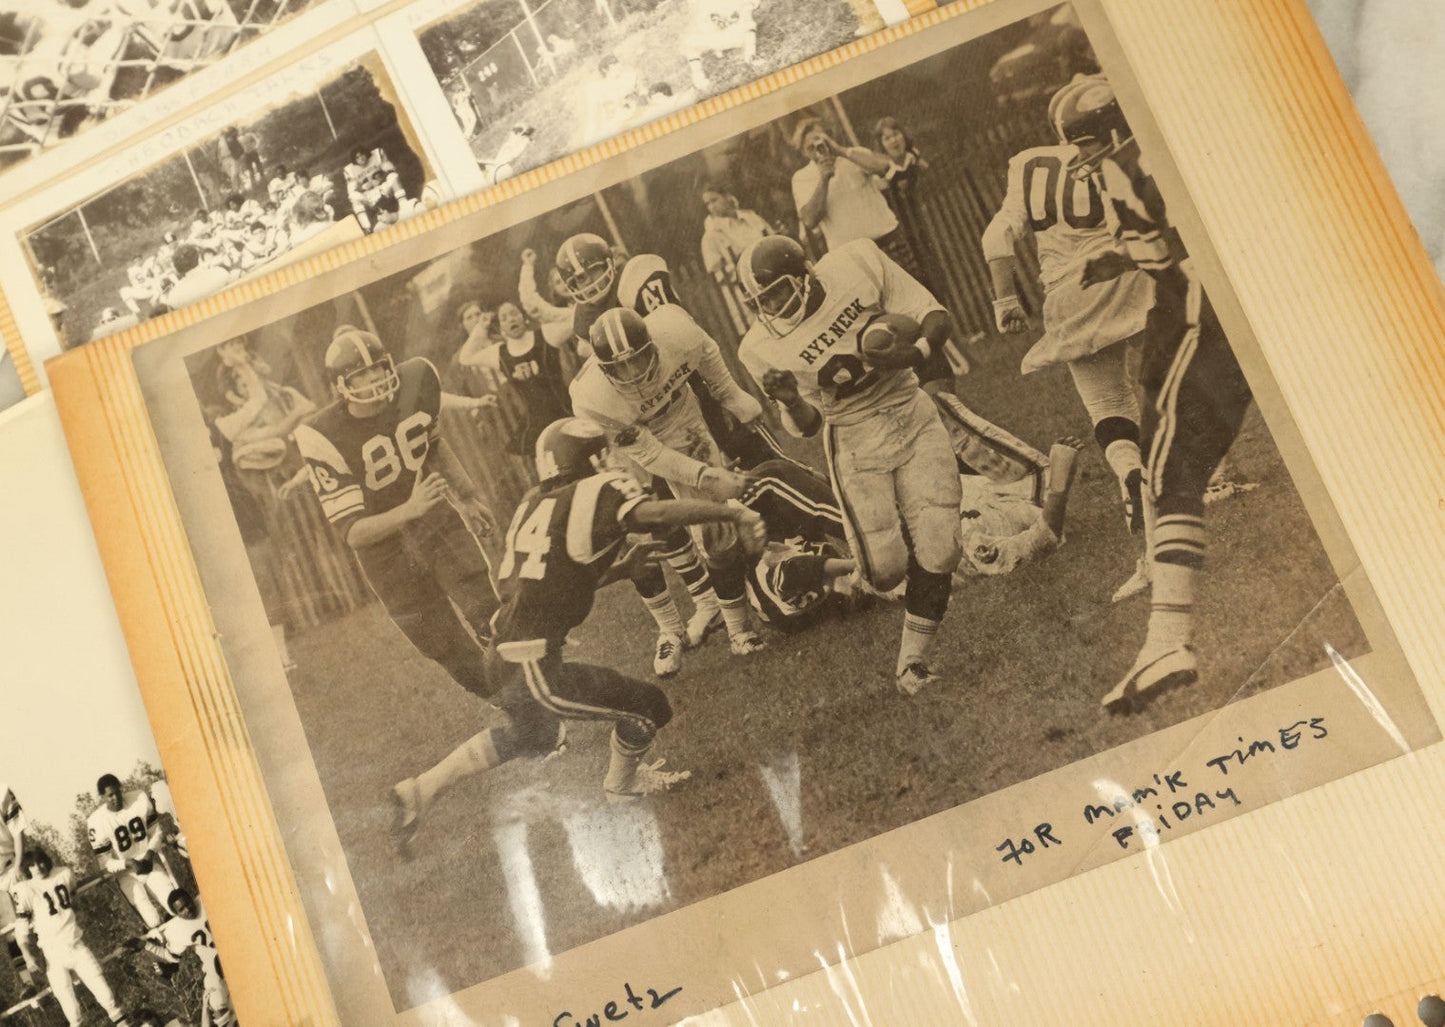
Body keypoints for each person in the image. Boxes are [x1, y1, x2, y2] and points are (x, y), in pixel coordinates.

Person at [391, 417, 768, 848]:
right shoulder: (597, 489)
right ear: (589, 456)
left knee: (530, 735)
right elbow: (658, 513)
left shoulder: (533, 502)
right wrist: (730, 511)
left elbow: (540, 583)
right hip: (533, 664)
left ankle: (419, 790)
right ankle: (622, 788)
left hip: (504, 655)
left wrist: (620, 569)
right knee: (648, 708)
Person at [1059, 77, 1255, 713]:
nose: (1087, 162)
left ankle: (1168, 641)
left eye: (1091, 145)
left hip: (1202, 311)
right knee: (1169, 467)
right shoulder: (1149, 156)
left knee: (1169, 465)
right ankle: (1165, 641)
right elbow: (1169, 232)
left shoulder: (1142, 159)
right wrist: (1120, 255)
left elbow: (1194, 244)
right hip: (1188, 304)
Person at [737, 234, 962, 694]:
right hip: (853, 434)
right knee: (884, 570)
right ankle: (834, 566)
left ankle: (911, 666)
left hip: (909, 406)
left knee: (941, 548)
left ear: (804, 274)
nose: (774, 306)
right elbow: (807, 423)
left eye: (778, 291)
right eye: (763, 300)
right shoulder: (759, 347)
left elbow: (934, 315)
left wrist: (915, 354)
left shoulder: (856, 261)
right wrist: (788, 400)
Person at [982, 75, 1155, 600]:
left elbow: (997, 236)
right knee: (1166, 387)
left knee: (1107, 405)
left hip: (1068, 294)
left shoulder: (1026, 163)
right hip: (1132, 272)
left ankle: (1130, 472)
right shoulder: (1125, 152)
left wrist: (1005, 300)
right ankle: (1198, 480)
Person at [293, 327, 501, 702]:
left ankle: (538, 693)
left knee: (488, 611)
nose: (375, 379)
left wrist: (466, 496)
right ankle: (525, 716)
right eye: (362, 374)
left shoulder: (415, 382)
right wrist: (409, 509)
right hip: (384, 550)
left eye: (378, 368)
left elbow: (433, 444)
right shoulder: (322, 434)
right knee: (446, 647)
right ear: (341, 385)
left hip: (433, 520)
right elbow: (352, 532)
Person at [570, 284, 770, 661]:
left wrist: (728, 392)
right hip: (631, 443)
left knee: (716, 526)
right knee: (636, 525)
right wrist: (706, 475)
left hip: (679, 415)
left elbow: (706, 348)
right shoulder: (593, 397)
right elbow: (650, 454)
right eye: (619, 367)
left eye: (638, 359)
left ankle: (737, 625)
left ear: (653, 346)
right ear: (603, 369)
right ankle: (673, 625)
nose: (631, 373)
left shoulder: (674, 331)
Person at [12, 848, 132, 1027]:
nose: (38, 867)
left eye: (40, 862)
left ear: (47, 860)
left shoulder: (63, 874)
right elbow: (20, 929)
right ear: (27, 869)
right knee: (71, 1010)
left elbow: (73, 893)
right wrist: (27, 955)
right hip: (52, 954)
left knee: (105, 994)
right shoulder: (25, 889)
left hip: (75, 944)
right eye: (32, 865)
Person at [458, 300, 573, 475]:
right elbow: (465, 358)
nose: (510, 319)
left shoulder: (545, 335)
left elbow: (576, 319)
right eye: (504, 318)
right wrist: (481, 327)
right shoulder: (500, 353)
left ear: (524, 317)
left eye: (514, 313)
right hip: (537, 425)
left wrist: (542, 309)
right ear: (502, 328)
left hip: (566, 412)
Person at [130, 889, 234, 1026]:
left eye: (188, 904)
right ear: (176, 914)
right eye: (181, 909)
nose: (188, 910)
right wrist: (146, 945)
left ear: (192, 898)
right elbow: (169, 956)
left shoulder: (205, 899)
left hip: (232, 948)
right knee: (217, 1003)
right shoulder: (176, 928)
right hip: (213, 964)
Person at [87, 773, 177, 929]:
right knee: (153, 920)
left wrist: (149, 853)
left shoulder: (139, 798)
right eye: (110, 795)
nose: (116, 798)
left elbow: (156, 831)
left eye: (117, 792)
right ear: (102, 797)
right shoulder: (96, 821)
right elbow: (105, 862)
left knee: (173, 902)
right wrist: (127, 863)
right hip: (126, 873)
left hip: (148, 860)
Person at [0, 783, 42, 1000]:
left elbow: (17, 832)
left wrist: (17, 865)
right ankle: (28, 982)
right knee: (9, 933)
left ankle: (63, 964)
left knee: (36, 917)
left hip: (11, 867)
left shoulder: (2, 791)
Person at [699, 184, 771, 285]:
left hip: (773, 277)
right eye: (707, 204)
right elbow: (719, 276)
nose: (712, 207)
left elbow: (773, 242)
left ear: (727, 196)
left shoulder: (752, 218)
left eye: (714, 200)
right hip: (742, 289)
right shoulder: (711, 236)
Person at [684, 0, 760, 91]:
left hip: (737, 34)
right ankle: (699, 77)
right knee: (689, 42)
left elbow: (747, 13)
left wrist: (732, 20)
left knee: (749, 25)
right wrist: (714, 26)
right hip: (717, 37)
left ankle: (751, 56)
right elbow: (702, 24)